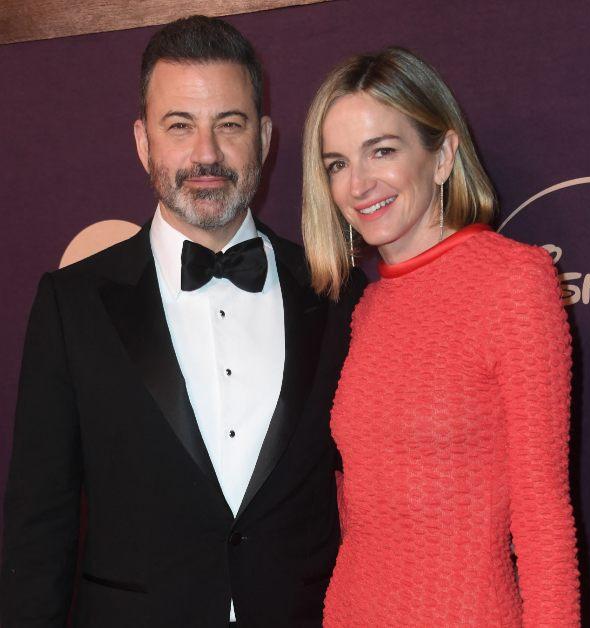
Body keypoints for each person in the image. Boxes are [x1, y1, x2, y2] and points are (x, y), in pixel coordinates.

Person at [0, 16, 361, 627]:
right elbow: (39, 529)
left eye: (230, 124)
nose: (206, 154)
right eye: (180, 126)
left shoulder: (337, 293)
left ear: (266, 139)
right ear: (143, 142)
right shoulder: (73, 303)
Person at [300, 47, 580, 626]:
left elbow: (542, 513)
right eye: (336, 163)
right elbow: (361, 510)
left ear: (443, 154)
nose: (359, 184)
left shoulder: (514, 282)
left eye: (382, 150)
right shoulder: (367, 306)